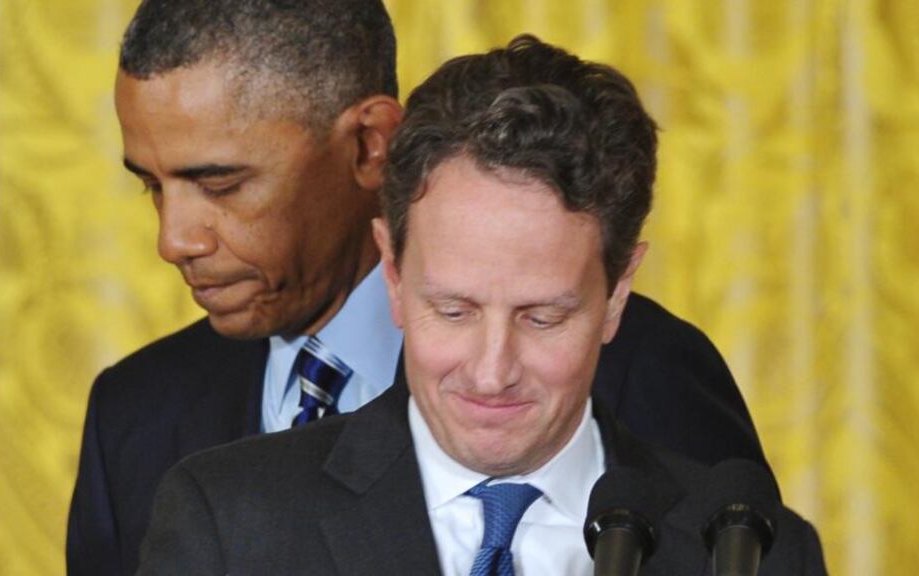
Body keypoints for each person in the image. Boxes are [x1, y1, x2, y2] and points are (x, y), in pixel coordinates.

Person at [69, 2, 767, 575]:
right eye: (150, 186)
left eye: (220, 184)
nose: (174, 239)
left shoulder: (643, 370)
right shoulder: (135, 415)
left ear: (371, 144)